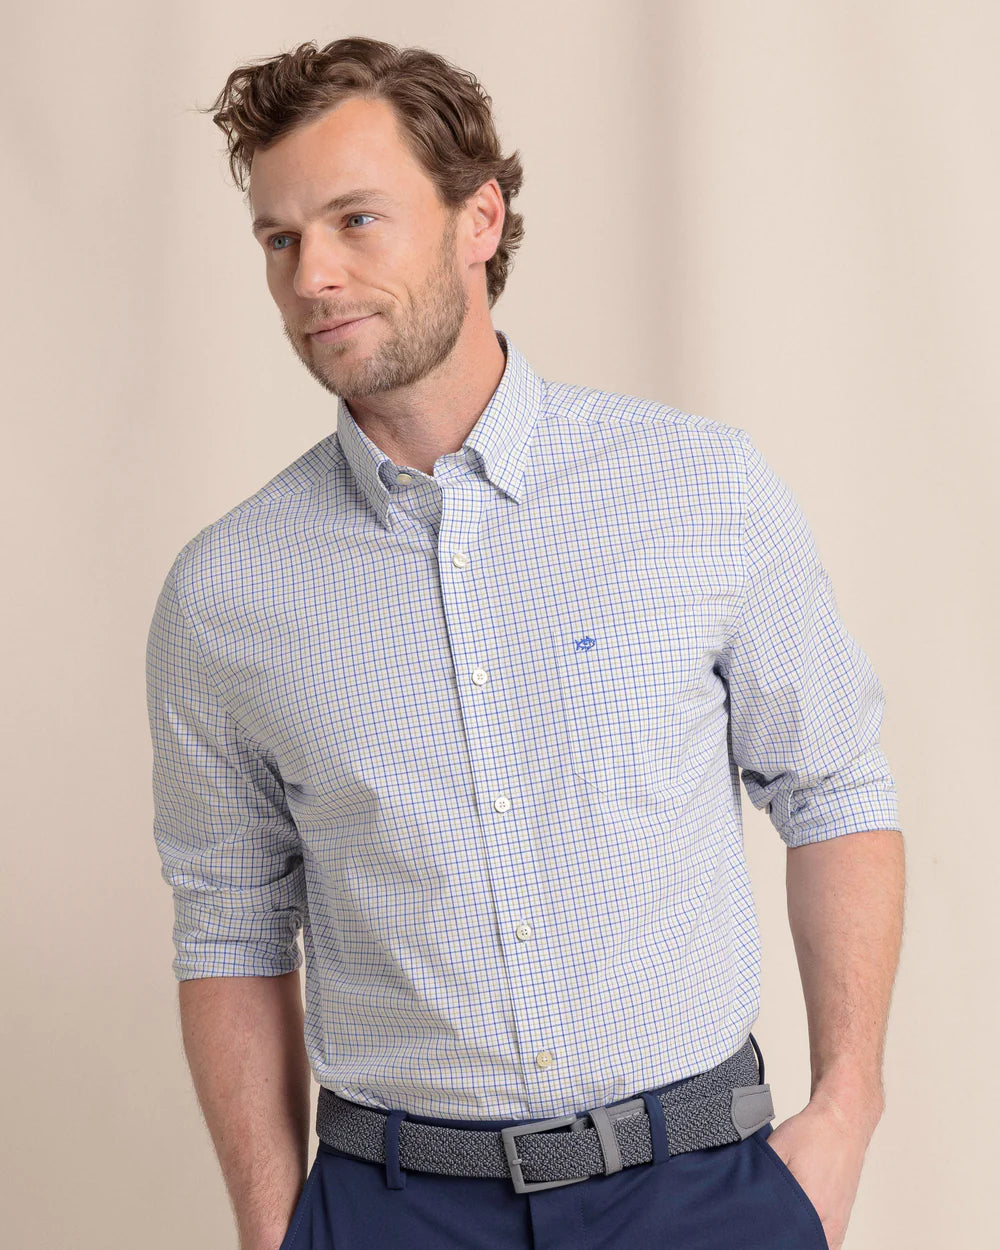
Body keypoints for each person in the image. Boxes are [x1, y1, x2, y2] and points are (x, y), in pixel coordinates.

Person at [145, 34, 905, 1250]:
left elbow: (834, 787)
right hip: (395, 1209)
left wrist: (845, 1108)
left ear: (479, 219)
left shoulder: (696, 488)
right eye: (279, 241)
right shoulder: (225, 592)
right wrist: (274, 1227)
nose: (312, 276)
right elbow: (228, 921)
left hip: (701, 1191)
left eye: (355, 220)